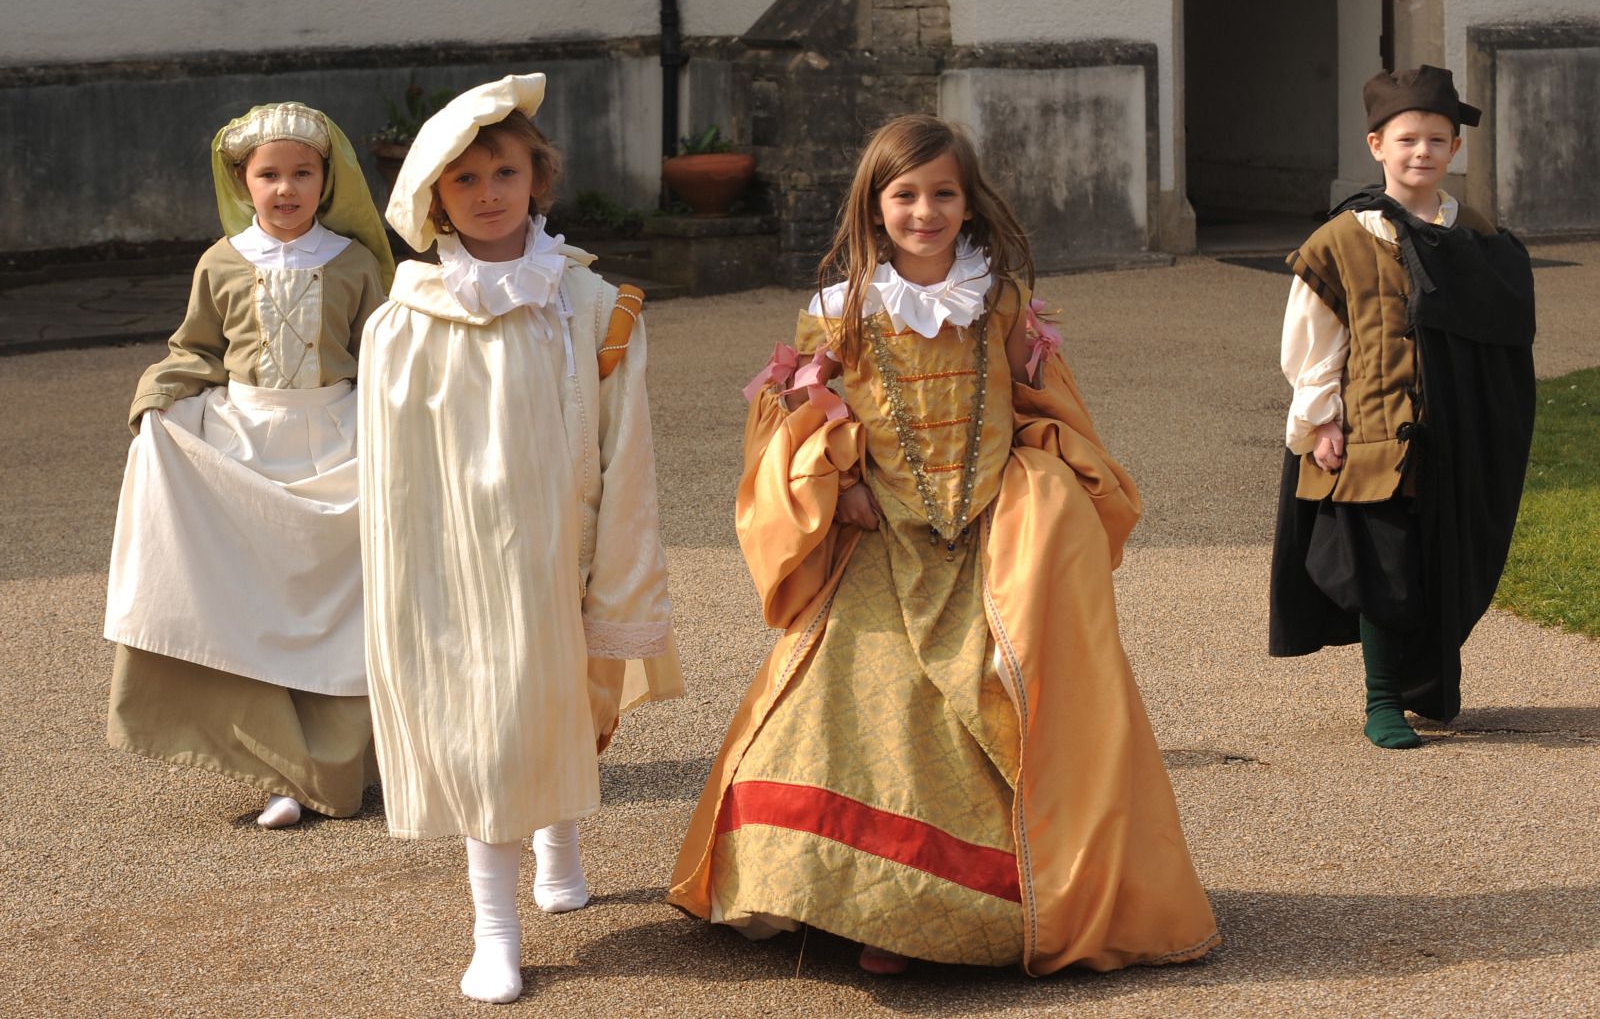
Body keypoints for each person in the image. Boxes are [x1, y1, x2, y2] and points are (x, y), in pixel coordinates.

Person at [669, 114, 1218, 976]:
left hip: (989, 541)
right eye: (905, 195)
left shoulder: (998, 300)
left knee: (995, 702)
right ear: (874, 205)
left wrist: (1055, 474)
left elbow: (1041, 402)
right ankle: (850, 901)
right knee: (857, 709)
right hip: (881, 541)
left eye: (942, 194)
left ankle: (952, 913)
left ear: (968, 203)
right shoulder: (838, 311)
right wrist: (838, 478)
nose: (923, 211)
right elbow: (803, 416)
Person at [358, 73, 681, 1004]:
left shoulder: (589, 306)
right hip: (459, 566)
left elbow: (628, 450)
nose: (488, 192)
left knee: (563, 706)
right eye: (464, 180)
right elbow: (392, 473)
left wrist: (619, 573)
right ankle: (493, 926)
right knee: (489, 733)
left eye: (505, 170)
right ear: (433, 198)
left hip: (559, 551)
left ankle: (560, 837)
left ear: (539, 178)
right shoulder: (406, 319)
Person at [104, 102, 394, 829]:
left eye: (303, 172)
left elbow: (388, 359)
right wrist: (157, 408)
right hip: (245, 452)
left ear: (327, 180)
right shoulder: (222, 261)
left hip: (339, 445)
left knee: (339, 611)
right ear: (243, 180)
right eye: (270, 175)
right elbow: (195, 350)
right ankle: (281, 770)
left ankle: (347, 764)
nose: (286, 188)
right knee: (257, 609)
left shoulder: (356, 263)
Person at [1269, 66, 1536, 749]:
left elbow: (1500, 335)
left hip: (1452, 432)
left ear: (1454, 149)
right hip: (1370, 433)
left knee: (1440, 560)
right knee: (1380, 571)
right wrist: (1320, 422)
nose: (1423, 152)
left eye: (1438, 140)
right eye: (1408, 138)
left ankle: (1428, 683)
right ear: (1376, 145)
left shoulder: (1474, 235)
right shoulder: (1343, 239)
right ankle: (1381, 700)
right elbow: (1314, 343)